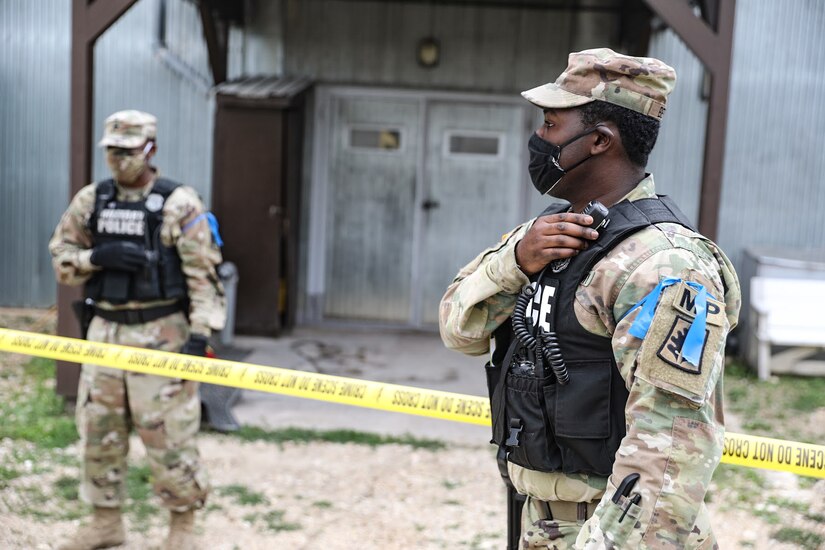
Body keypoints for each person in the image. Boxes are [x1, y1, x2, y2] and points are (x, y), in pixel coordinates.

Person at [439, 48, 741, 549]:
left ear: (599, 141)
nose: (538, 139)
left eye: (551, 125)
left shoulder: (664, 265)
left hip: (613, 531)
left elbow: (670, 447)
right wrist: (515, 260)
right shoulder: (547, 236)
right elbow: (459, 329)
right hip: (542, 519)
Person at [49, 110, 225, 550]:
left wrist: (200, 336)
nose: (118, 159)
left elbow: (204, 278)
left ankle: (182, 528)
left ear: (150, 150)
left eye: (127, 151)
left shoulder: (178, 204)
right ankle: (105, 520)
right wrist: (97, 258)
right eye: (112, 150)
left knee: (168, 436)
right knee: (99, 431)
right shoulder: (93, 200)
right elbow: (61, 257)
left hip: (162, 335)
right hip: (105, 333)